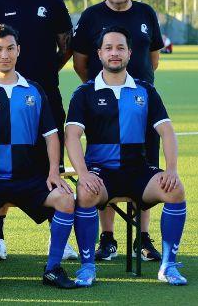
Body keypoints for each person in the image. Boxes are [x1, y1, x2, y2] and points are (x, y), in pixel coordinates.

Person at [65, 26, 187, 287]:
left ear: (130, 53)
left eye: (120, 48)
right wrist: (84, 174)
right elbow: (72, 136)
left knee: (175, 189)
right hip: (101, 171)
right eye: (108, 48)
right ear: (99, 53)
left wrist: (171, 169)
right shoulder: (84, 93)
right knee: (84, 192)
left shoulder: (145, 90)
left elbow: (166, 131)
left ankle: (168, 265)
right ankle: (87, 267)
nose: (114, 53)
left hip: (138, 171)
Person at [0, 23, 77, 291]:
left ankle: (53, 268)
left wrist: (54, 173)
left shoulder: (33, 89)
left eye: (10, 48)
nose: (5, 55)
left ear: (19, 50)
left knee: (65, 199)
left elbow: (51, 136)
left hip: (29, 179)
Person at [0, 0, 75, 262]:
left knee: (50, 164)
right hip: (3, 99)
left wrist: (45, 72)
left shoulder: (53, 2)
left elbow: (66, 47)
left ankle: (56, 236)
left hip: (45, 95)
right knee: (2, 164)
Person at [71, 0, 164, 261]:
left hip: (140, 107)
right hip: (103, 109)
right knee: (105, 167)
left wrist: (133, 92)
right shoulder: (91, 16)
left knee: (145, 167)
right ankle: (107, 237)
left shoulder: (146, 13)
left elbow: (153, 58)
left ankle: (143, 238)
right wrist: (103, 95)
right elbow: (80, 62)